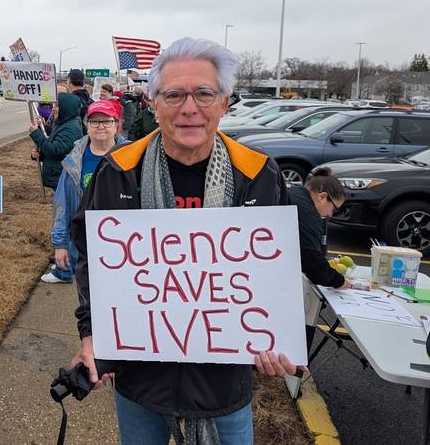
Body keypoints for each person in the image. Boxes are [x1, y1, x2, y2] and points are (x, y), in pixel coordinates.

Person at [69, 37, 298, 445]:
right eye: (174, 94)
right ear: (153, 104)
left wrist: (275, 337)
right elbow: (90, 258)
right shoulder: (119, 171)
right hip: (141, 379)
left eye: (204, 94)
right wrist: (91, 336)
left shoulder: (260, 174)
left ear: (224, 103)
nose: (189, 108)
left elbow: (274, 273)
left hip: (223, 387)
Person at [41, 100, 126, 284]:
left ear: (116, 125)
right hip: (85, 244)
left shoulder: (131, 156)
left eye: (106, 121)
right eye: (94, 121)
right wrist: (61, 244)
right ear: (87, 125)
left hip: (124, 245)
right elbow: (61, 204)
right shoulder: (74, 161)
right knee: (88, 302)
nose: (100, 126)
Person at [290, 167, 351, 289]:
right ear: (322, 197)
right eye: (334, 209)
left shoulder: (294, 193)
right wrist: (339, 281)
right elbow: (312, 264)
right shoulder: (308, 213)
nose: (331, 214)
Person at [29, 92, 83, 189]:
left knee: (63, 203)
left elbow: (54, 150)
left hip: (62, 177)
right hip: (57, 174)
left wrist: (36, 134)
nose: (53, 109)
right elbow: (53, 144)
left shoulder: (71, 128)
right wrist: (39, 154)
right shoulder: (62, 123)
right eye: (54, 105)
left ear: (67, 108)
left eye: (57, 106)